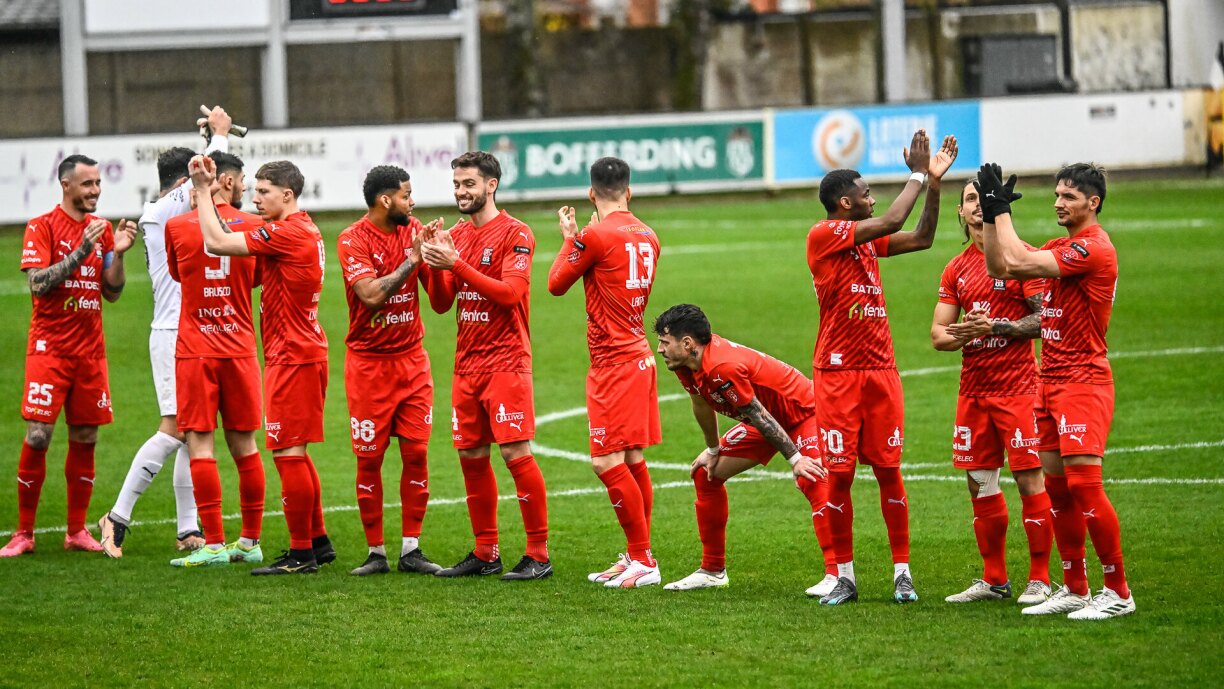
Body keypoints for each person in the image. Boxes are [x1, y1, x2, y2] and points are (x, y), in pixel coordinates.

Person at [805, 130, 957, 604]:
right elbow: (894, 218)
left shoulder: (867, 242)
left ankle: (901, 574)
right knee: (841, 474)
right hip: (837, 374)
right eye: (866, 192)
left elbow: (924, 237)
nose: (873, 198)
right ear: (844, 203)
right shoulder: (824, 234)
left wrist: (932, 184)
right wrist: (915, 172)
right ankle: (845, 577)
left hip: (881, 370)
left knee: (890, 471)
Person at [977, 162, 1133, 620]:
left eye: (1068, 196)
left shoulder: (1093, 248)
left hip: (1083, 381)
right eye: (1057, 195)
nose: (1058, 203)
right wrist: (990, 214)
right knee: (1059, 492)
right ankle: (1075, 587)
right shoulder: (1060, 246)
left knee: (1085, 487)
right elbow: (1000, 265)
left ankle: (1119, 591)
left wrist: (1003, 209)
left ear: (1093, 202)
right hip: (1049, 381)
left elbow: (1021, 262)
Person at [187, 155, 334, 575]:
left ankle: (301, 553)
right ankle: (318, 541)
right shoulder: (300, 228)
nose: (255, 199)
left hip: (294, 356)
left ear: (287, 195)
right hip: (300, 351)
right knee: (297, 452)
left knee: (288, 452)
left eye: (264, 192)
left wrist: (201, 191)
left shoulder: (289, 233)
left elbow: (216, 242)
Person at [98, 106, 233, 558]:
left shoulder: (174, 209)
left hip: (194, 331)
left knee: (196, 429)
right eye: (194, 185)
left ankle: (188, 527)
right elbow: (208, 177)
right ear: (182, 184)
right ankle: (116, 518)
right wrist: (219, 134)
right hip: (173, 332)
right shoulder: (158, 211)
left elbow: (205, 180)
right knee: (175, 427)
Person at [420, 151, 551, 580]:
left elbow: (510, 294)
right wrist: (430, 262)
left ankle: (538, 554)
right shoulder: (457, 234)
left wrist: (455, 262)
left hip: (507, 362)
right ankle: (485, 552)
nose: (461, 192)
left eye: (469, 184)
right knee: (472, 457)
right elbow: (442, 304)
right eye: (457, 184)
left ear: (491, 185)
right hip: (467, 364)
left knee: (515, 453)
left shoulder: (517, 233)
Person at [1, 154, 137, 556]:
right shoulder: (41, 226)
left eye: (98, 183)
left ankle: (76, 531)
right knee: (39, 435)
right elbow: (38, 284)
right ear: (66, 185)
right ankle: (24, 533)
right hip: (49, 349)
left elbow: (111, 292)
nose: (95, 190)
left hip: (90, 351)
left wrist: (121, 251)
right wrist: (81, 250)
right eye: (87, 184)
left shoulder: (103, 231)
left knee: (86, 435)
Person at [931, 177, 1055, 605]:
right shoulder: (956, 268)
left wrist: (997, 327)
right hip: (974, 392)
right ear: (962, 214)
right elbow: (938, 334)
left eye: (983, 198)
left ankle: (1040, 579)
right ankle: (995, 579)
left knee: (1028, 480)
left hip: (1020, 389)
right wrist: (967, 332)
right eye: (969, 199)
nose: (977, 205)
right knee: (979, 483)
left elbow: (1044, 321)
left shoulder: (1025, 260)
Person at [652, 304, 833, 593]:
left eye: (664, 342)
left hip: (804, 413)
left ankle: (836, 575)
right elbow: (700, 403)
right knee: (705, 474)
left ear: (687, 344)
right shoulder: (686, 363)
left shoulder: (722, 366)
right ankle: (712, 570)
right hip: (762, 420)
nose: (659, 349)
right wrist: (712, 449)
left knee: (811, 478)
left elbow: (760, 414)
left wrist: (796, 458)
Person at [548, 157, 662, 588]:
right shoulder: (649, 235)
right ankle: (638, 555)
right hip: (638, 354)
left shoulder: (594, 235)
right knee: (632, 458)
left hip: (613, 362)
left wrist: (570, 239)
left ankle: (643, 559)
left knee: (605, 460)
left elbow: (556, 283)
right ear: (629, 192)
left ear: (591, 193)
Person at [160, 152, 267, 568]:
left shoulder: (176, 227)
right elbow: (257, 278)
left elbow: (176, 274)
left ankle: (215, 543)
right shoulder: (256, 226)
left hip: (195, 348)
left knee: (200, 442)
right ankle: (251, 541)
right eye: (241, 182)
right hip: (239, 347)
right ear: (225, 182)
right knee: (245, 444)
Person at [339, 165, 446, 577]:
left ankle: (411, 549)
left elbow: (438, 302)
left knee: (416, 452)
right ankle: (376, 553)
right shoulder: (353, 239)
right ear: (386, 200)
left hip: (412, 362)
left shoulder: (414, 229)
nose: (412, 201)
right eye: (406, 194)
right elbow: (368, 296)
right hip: (368, 366)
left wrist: (437, 257)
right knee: (370, 460)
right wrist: (412, 260)